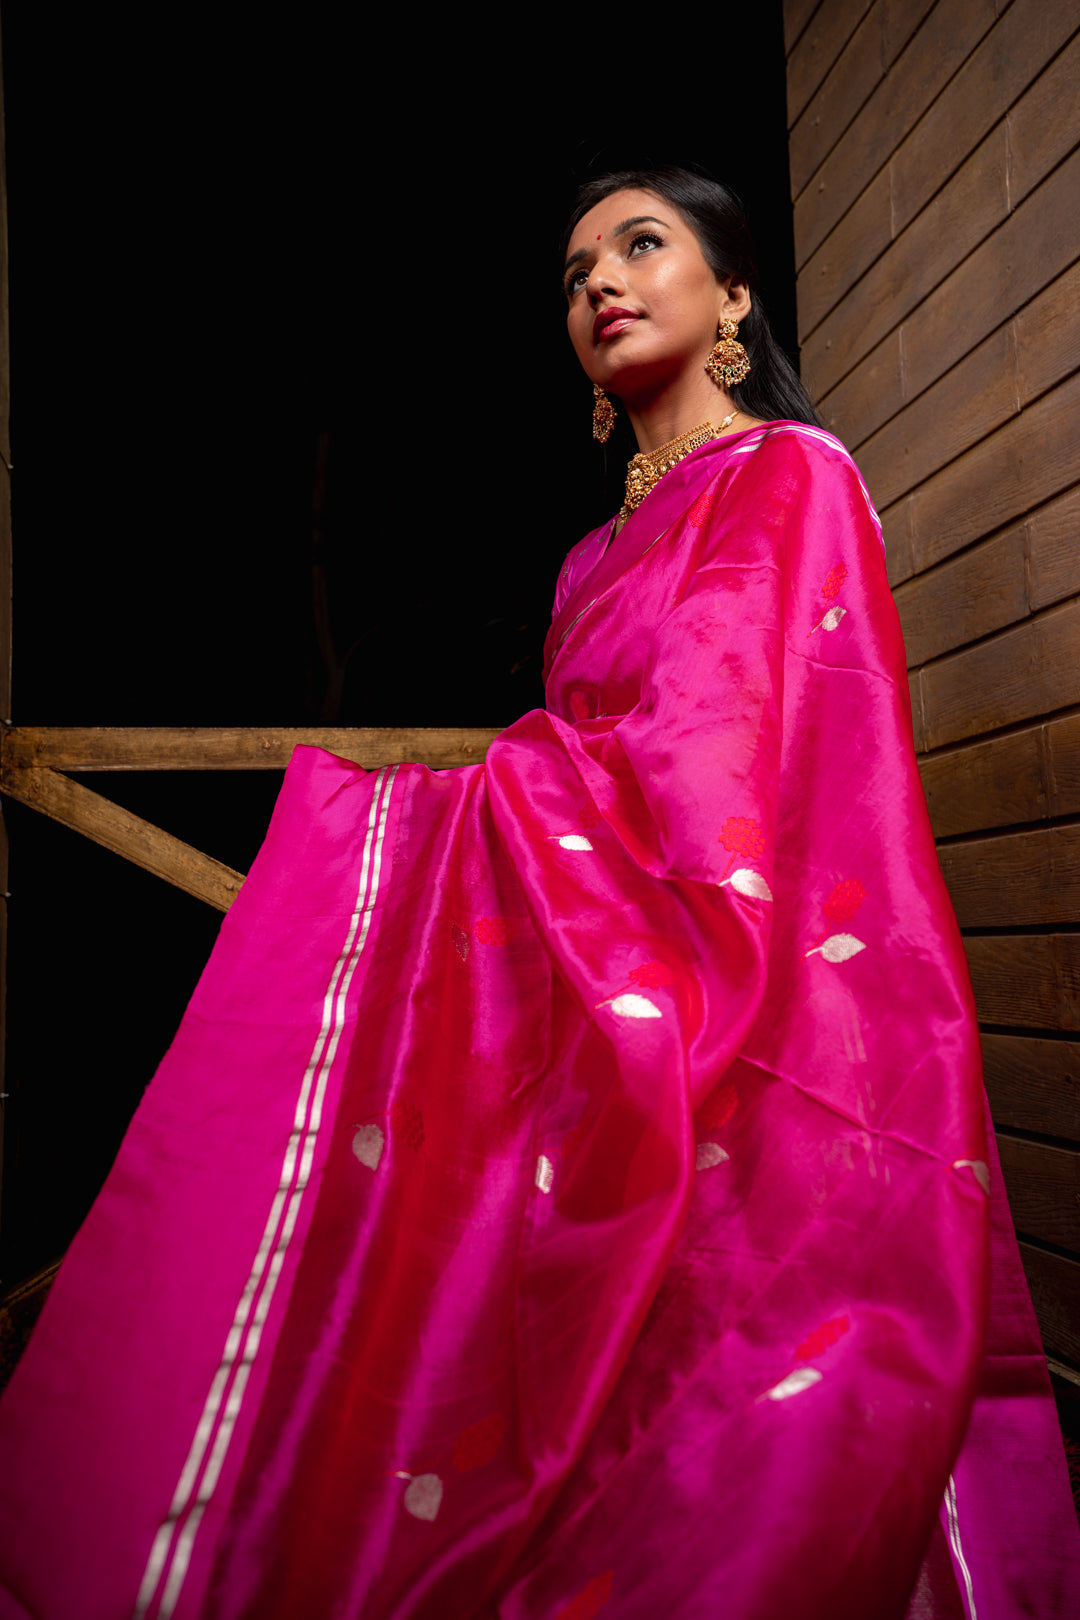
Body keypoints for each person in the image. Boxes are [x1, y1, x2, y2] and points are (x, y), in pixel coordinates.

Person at [0, 167, 1077, 1620]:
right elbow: (596, 744)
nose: (601, 285)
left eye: (642, 247)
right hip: (597, 955)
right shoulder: (586, 562)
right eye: (576, 272)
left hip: (758, 959)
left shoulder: (790, 475)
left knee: (764, 1385)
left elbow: (725, 732)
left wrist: (498, 794)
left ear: (735, 299)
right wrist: (528, 789)